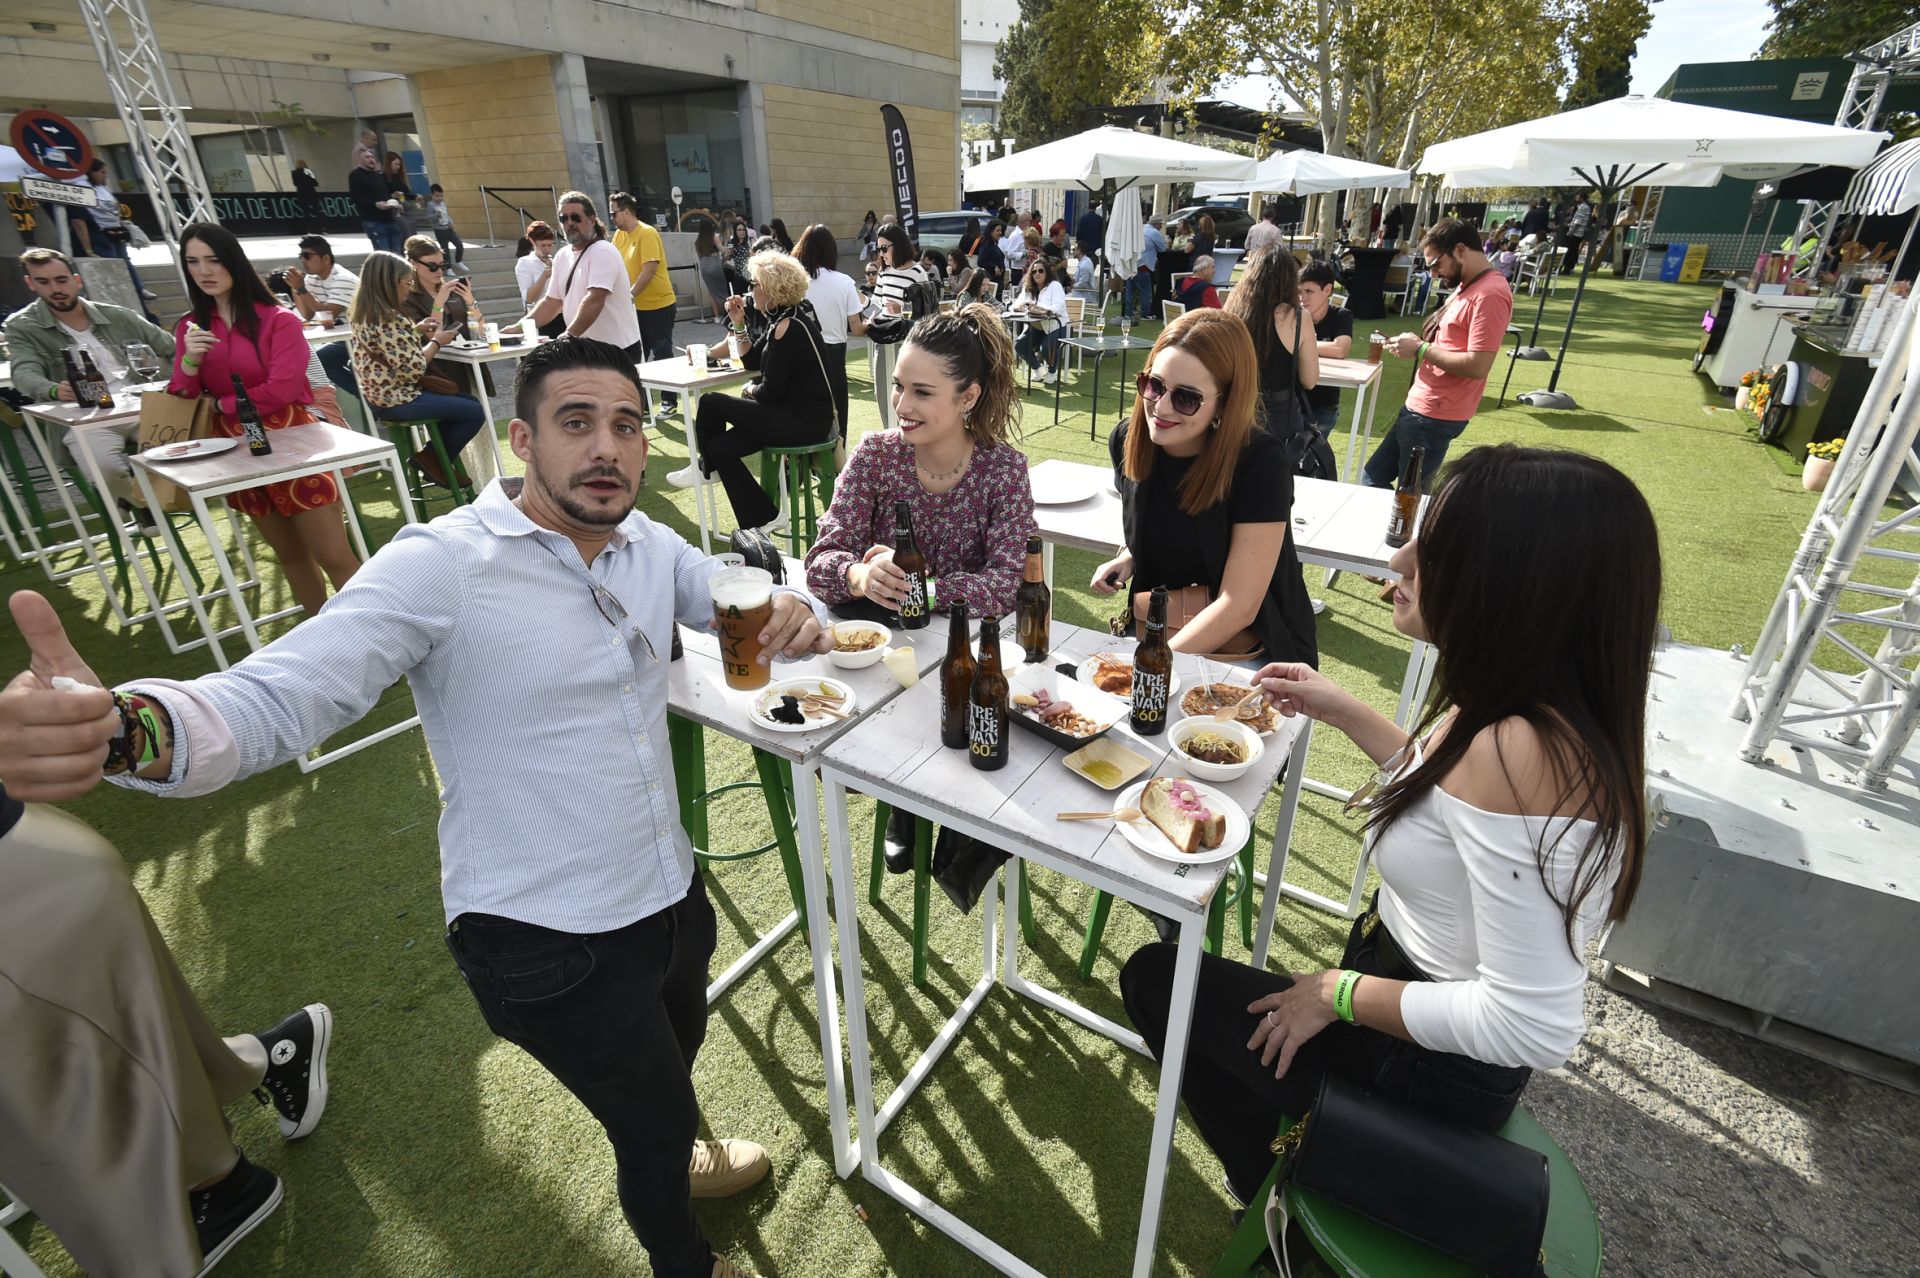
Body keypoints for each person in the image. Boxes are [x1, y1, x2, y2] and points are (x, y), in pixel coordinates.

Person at [0, 336, 833, 1278]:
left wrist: (791, 603)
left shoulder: (647, 541)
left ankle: (674, 1149)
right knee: (645, 1122)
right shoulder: (443, 564)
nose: (607, 447)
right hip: (545, 938)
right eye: (577, 423)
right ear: (521, 440)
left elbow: (718, 591)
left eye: (626, 426)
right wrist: (126, 728)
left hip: (666, 892)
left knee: (673, 1065)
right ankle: (685, 1260)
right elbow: (282, 696)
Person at [1121, 445, 1661, 1217]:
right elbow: (1454, 809)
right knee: (1179, 985)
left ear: (1512, 582)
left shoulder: (1522, 750)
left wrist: (1338, 994)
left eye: (1435, 546)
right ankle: (1296, 1177)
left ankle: (1292, 1196)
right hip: (1402, 1003)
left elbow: (1531, 1025)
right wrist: (1347, 710)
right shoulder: (1524, 709)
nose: (1401, 554)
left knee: (1156, 980)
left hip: (1424, 1065)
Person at [0, 768, 332, 1278]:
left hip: (24, 888)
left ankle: (214, 1192)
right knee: (123, 1042)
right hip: (37, 859)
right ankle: (259, 1070)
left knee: (49, 1107)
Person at [1090, 307, 1316, 666]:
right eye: (1154, 385)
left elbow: (1239, 606)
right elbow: (1168, 521)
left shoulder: (1260, 463)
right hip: (1159, 625)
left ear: (1225, 402)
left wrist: (1151, 664)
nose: (1160, 407)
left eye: (1187, 398)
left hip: (1246, 642)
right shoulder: (1128, 439)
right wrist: (1128, 556)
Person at [165, 223, 361, 614]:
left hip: (294, 443)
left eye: (213, 260)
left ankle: (383, 637)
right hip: (236, 451)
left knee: (333, 554)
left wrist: (219, 404)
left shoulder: (278, 320)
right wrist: (189, 359)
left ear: (234, 262)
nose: (204, 271)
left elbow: (282, 390)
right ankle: (322, 637)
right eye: (193, 262)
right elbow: (182, 398)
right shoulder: (191, 326)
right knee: (289, 555)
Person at [806, 302, 1034, 636]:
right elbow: (819, 563)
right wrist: (861, 576)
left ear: (968, 397)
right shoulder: (875, 455)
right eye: (899, 385)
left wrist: (915, 588)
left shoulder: (1003, 470)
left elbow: (1011, 580)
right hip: (879, 652)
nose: (902, 404)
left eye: (922, 392)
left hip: (965, 650)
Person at [5, 248, 176, 517]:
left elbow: (173, 348)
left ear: (76, 280)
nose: (55, 289)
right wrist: (52, 389)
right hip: (87, 417)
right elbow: (23, 371)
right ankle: (140, 504)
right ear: (30, 283)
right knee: (104, 468)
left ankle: (134, 499)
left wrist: (177, 383)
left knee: (182, 453)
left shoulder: (118, 315)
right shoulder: (22, 326)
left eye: (61, 280)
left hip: (141, 406)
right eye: (43, 282)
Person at [685, 252, 835, 529]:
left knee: (710, 401)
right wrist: (738, 322)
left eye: (754, 284)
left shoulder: (788, 325)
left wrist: (748, 388)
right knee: (719, 448)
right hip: (794, 416)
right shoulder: (784, 319)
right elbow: (752, 360)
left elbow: (769, 393)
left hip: (803, 421)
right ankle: (763, 517)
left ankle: (705, 468)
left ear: (772, 288)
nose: (751, 290)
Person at [1365, 218, 1513, 493]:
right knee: (1373, 480)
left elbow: (1478, 364)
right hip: (1422, 408)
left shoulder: (1490, 293)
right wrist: (1415, 345)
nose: (1433, 273)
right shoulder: (1469, 284)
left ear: (1460, 250)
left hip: (1435, 415)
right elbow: (1449, 342)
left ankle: (1410, 537)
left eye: (1435, 264)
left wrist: (1421, 348)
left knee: (1410, 497)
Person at [348, 250, 487, 489]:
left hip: (382, 396)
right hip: (398, 399)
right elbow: (413, 369)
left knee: (463, 402)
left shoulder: (366, 314)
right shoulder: (388, 318)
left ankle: (435, 459)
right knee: (474, 411)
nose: (408, 288)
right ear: (390, 283)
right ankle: (434, 459)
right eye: (406, 283)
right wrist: (437, 341)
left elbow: (388, 348)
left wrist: (415, 331)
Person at [523, 191, 643, 354]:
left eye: (575, 217)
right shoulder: (562, 255)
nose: (569, 223)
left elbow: (595, 299)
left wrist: (567, 336)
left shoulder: (602, 251)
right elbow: (552, 302)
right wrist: (519, 328)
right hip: (585, 349)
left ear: (592, 219)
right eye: (563, 218)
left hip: (615, 351)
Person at [1224, 244, 1321, 443]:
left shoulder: (1231, 310)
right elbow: (1309, 380)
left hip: (1234, 411)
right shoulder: (1298, 317)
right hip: (1280, 419)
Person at [794, 222, 865, 441]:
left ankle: (801, 466)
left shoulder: (795, 282)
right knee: (837, 420)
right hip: (832, 356)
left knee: (800, 417)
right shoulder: (844, 282)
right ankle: (835, 468)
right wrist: (870, 322)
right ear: (831, 250)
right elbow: (857, 328)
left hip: (798, 355)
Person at [866, 222, 932, 430]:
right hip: (884, 336)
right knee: (882, 392)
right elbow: (876, 302)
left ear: (899, 245)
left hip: (907, 340)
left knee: (905, 394)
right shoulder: (884, 272)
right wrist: (868, 312)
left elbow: (927, 312)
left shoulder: (917, 272)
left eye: (885, 248)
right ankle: (891, 435)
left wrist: (901, 307)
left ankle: (906, 434)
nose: (881, 253)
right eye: (879, 248)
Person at [610, 192, 679, 381]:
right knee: (635, 356)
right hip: (634, 308)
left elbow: (648, 270)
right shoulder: (618, 236)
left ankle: (669, 401)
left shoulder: (647, 233)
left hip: (658, 306)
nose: (612, 218)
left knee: (661, 354)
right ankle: (642, 403)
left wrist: (629, 296)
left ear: (626, 212)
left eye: (613, 213)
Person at [76, 158, 156, 304]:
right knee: (113, 262)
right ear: (91, 172)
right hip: (100, 233)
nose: (105, 176)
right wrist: (88, 248)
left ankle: (139, 288)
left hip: (116, 229)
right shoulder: (83, 188)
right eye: (102, 172)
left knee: (125, 260)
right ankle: (124, 293)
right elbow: (81, 220)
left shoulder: (103, 188)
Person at [1296, 261, 1355, 433]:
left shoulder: (1340, 315)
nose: (1302, 298)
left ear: (1328, 290)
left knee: (1313, 456)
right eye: (1299, 291)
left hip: (1324, 404)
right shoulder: (1293, 314)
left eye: (1309, 291)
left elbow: (1340, 349)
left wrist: (1302, 344)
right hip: (1294, 401)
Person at [1008, 256, 1069, 385]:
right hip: (1036, 326)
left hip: (1056, 325)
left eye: (1041, 271)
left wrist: (1042, 309)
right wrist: (1018, 307)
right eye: (1034, 272)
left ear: (1047, 272)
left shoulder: (1055, 286)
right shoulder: (1028, 287)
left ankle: (1052, 371)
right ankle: (1038, 369)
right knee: (1020, 345)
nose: (1037, 274)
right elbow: (1015, 304)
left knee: (1045, 348)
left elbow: (1059, 307)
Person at [285, 234, 359, 329]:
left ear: (326, 259)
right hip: (338, 335)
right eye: (301, 256)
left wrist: (300, 288)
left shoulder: (343, 279)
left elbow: (328, 316)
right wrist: (295, 287)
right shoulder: (312, 278)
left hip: (356, 336)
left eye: (307, 256)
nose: (303, 260)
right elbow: (307, 315)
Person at [516, 219, 566, 338]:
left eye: (550, 245)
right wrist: (544, 276)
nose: (547, 249)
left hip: (561, 314)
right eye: (543, 245)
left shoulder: (555, 261)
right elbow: (528, 298)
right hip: (540, 316)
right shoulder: (525, 263)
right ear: (533, 242)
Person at [348, 147, 403, 253]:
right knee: (383, 254)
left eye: (372, 157)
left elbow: (385, 195)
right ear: (360, 160)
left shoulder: (379, 175)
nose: (371, 159)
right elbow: (355, 198)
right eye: (367, 157)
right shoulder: (356, 175)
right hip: (373, 221)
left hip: (389, 219)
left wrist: (394, 203)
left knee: (397, 253)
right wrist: (375, 204)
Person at [1126, 214, 1168, 321]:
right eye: (1161, 224)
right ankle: (1145, 314)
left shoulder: (1142, 228)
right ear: (1157, 224)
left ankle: (1128, 312)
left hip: (1131, 264)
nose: (1161, 226)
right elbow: (1163, 249)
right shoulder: (1154, 233)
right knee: (1145, 291)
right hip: (1143, 265)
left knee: (1129, 290)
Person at [428, 183, 465, 269]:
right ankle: (448, 268)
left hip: (448, 228)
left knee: (459, 244)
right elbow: (428, 217)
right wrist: (436, 215)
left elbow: (447, 215)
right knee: (445, 249)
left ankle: (459, 261)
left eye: (441, 196)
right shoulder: (430, 205)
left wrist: (451, 222)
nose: (439, 198)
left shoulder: (443, 204)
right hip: (439, 230)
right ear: (432, 195)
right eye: (437, 196)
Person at [1561, 194, 1593, 278]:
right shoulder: (1583, 207)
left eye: (1577, 197)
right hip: (1578, 233)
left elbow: (1578, 221)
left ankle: (1567, 268)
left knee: (1570, 251)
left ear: (1582, 198)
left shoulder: (1583, 208)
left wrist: (1571, 231)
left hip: (1576, 233)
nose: (1576, 198)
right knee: (1574, 251)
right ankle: (1570, 267)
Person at [975, 219, 1009, 288]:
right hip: (992, 282)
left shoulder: (994, 245)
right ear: (990, 232)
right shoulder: (986, 245)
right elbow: (980, 261)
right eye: (997, 230)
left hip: (999, 281)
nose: (1000, 233)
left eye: (1001, 230)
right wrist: (994, 267)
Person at [725, 218, 754, 294]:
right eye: (739, 230)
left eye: (743, 230)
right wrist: (729, 253)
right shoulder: (732, 242)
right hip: (738, 276)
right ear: (735, 231)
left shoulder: (750, 241)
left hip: (750, 275)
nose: (742, 232)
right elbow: (727, 258)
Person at [292, 156, 321, 224]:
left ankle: (308, 229)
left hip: (301, 194)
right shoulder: (309, 172)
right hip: (311, 193)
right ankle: (320, 227)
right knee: (317, 211)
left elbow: (295, 183)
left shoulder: (294, 173)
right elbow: (315, 183)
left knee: (305, 212)